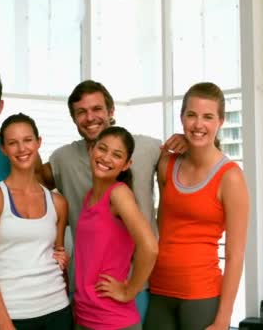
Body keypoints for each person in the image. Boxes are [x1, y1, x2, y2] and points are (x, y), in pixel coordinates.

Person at [36, 80, 186, 320]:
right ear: (74, 118)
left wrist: (187, 140)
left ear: (111, 111)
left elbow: (190, 165)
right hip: (84, 288)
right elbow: (33, 181)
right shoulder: (62, 159)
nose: (90, 117)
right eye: (81, 112)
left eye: (97, 109)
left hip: (134, 284)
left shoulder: (146, 147)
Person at [144, 82, 249, 330]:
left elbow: (235, 256)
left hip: (201, 295)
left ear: (220, 122)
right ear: (182, 118)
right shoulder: (166, 164)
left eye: (208, 117)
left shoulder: (230, 177)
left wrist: (223, 319)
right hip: (158, 289)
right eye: (191, 115)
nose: (198, 124)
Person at [0, 113, 72, 330]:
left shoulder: (57, 202)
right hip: (12, 314)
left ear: (38, 142)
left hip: (57, 309)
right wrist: (4, 322)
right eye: (13, 143)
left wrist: (62, 256)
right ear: (4, 149)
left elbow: (57, 254)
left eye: (27, 140)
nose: (22, 149)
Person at [74, 126, 158, 330]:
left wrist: (129, 291)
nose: (106, 158)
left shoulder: (119, 194)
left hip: (113, 320)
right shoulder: (89, 197)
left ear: (126, 164)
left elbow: (150, 247)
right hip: (84, 316)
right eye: (102, 149)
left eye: (117, 155)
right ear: (91, 150)